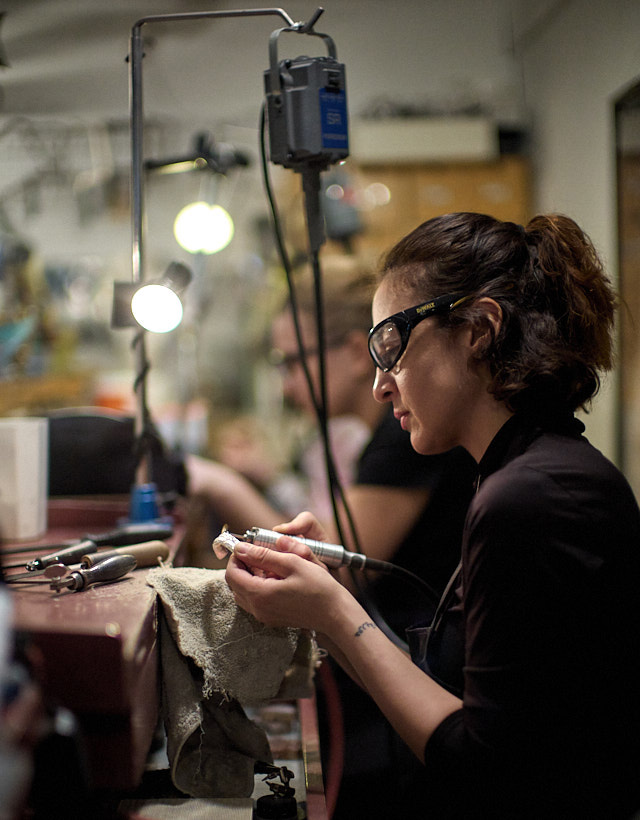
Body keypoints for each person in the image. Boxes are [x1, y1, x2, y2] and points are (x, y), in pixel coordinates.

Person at [225, 212, 640, 819]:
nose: (380, 385)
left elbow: (485, 768)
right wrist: (330, 596)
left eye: (390, 346)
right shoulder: (524, 474)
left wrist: (335, 615)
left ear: (479, 329)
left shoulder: (530, 498)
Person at [188, 256, 477, 817]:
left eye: (292, 362)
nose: (287, 382)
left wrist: (224, 484)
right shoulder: (388, 438)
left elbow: (338, 567)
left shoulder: (409, 444)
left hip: (424, 703)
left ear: (351, 349)